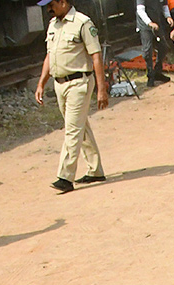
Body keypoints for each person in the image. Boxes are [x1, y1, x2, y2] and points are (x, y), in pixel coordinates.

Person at [34, 0, 109, 192]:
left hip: (79, 83)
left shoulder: (83, 23)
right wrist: (42, 83)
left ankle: (65, 177)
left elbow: (96, 56)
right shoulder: (53, 25)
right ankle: (95, 170)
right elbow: (49, 56)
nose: (48, 9)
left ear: (63, 2)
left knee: (72, 129)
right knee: (80, 127)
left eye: (51, 4)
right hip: (60, 84)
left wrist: (101, 89)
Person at [136, 0, 174, 86]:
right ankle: (150, 75)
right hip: (145, 26)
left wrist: (168, 16)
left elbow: (164, 5)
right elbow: (140, 10)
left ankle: (158, 71)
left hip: (157, 23)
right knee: (147, 50)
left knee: (163, 46)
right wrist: (149, 23)